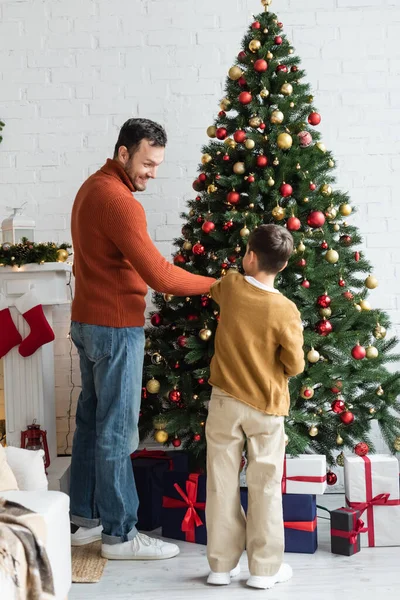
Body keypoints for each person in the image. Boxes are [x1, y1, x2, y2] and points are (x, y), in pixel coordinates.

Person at [69, 118, 215, 560]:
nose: (152, 172)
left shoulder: (90, 188)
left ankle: (85, 520)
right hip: (115, 328)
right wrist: (220, 283)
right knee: (116, 431)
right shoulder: (120, 202)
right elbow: (160, 275)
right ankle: (121, 535)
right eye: (147, 163)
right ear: (123, 153)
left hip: (88, 323)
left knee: (92, 425)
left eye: (157, 164)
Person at [205, 224, 305, 589]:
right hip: (266, 407)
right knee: (265, 485)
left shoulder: (230, 286)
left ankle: (220, 565)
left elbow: (215, 290)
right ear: (283, 265)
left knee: (221, 482)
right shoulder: (286, 309)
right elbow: (294, 365)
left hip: (224, 403)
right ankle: (263, 570)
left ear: (249, 255)